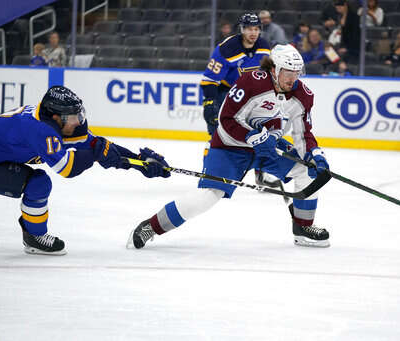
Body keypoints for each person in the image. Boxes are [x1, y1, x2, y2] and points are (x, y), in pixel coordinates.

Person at [128, 44, 331, 250]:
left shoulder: (303, 95)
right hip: (229, 147)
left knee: (307, 169)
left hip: (268, 148)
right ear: (274, 69)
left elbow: (303, 134)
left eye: (297, 73)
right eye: (288, 72)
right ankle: (151, 227)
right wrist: (252, 136)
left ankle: (303, 228)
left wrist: (315, 155)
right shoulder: (251, 82)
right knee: (208, 196)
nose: (293, 78)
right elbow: (225, 120)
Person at [0, 86, 171, 255]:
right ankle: (34, 236)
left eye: (78, 115)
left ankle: (33, 234)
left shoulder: (58, 123)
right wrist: (95, 154)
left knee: (38, 183)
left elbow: (98, 145)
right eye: (72, 117)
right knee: (38, 183)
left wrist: (139, 162)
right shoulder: (40, 129)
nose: (77, 122)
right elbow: (67, 168)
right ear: (56, 117)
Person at [200, 13, 277, 187]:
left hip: (253, 95)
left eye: (256, 29)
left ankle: (262, 174)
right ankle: (211, 173)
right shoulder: (227, 49)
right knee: (217, 134)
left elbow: (269, 74)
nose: (253, 32)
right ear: (242, 29)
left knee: (261, 131)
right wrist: (210, 103)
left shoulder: (264, 47)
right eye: (249, 28)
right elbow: (210, 80)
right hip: (226, 93)